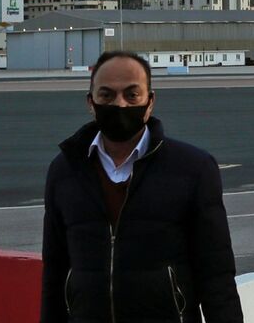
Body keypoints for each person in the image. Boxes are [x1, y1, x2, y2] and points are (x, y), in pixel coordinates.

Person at [40, 51, 243, 323]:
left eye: (132, 95)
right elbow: (54, 272)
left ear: (150, 102)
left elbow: (217, 276)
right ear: (91, 102)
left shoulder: (193, 169)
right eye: (107, 95)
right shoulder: (63, 171)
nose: (120, 105)